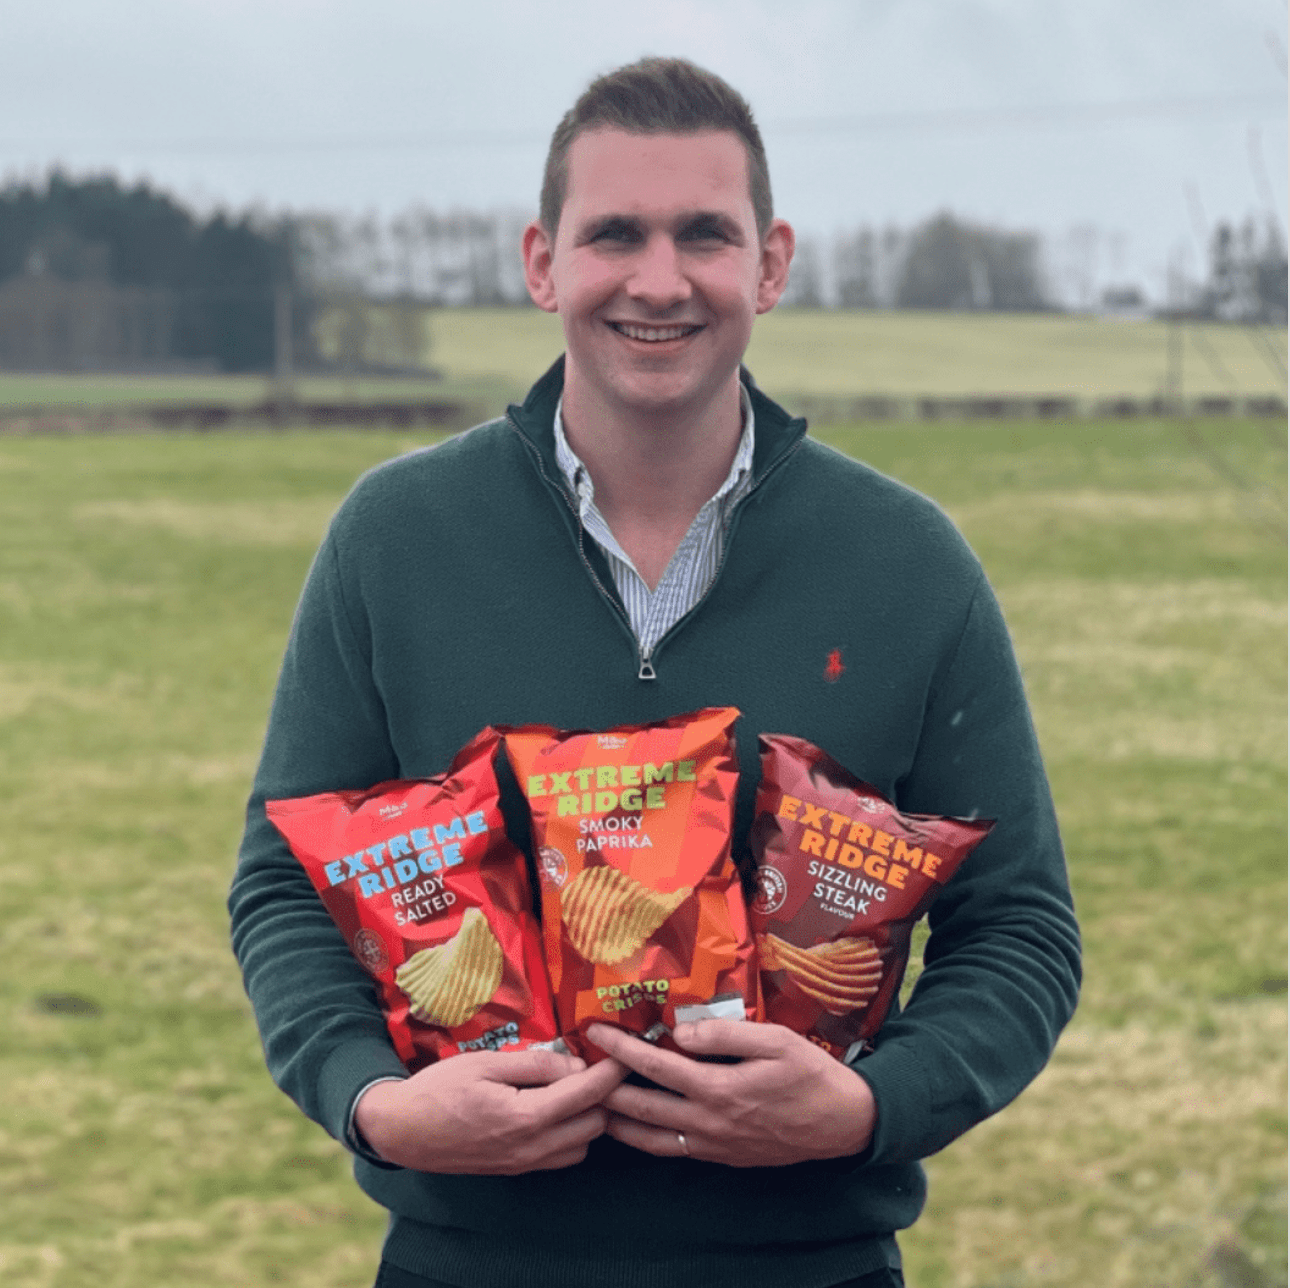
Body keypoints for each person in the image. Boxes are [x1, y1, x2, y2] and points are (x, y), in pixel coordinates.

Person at [229, 57, 1080, 1288]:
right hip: (465, 1263)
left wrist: (868, 1106)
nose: (659, 279)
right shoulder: (396, 537)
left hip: (815, 1265)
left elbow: (1021, 929)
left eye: (705, 236)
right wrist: (372, 1100)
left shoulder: (909, 563)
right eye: (614, 232)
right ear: (542, 263)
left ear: (771, 265)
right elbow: (279, 882)